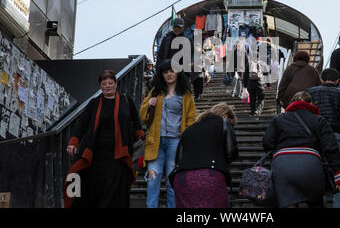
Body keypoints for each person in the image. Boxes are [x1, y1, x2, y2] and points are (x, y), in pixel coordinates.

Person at [64, 70, 144, 208]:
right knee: (92, 187)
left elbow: (137, 122)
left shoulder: (126, 100)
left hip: (118, 154)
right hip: (95, 154)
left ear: (116, 84)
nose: (108, 86)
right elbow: (82, 125)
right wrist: (73, 142)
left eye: (110, 83)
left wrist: (142, 139)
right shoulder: (94, 103)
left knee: (115, 189)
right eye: (104, 83)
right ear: (100, 86)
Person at [262, 91, 340, 208]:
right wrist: (339, 172)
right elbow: (330, 147)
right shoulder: (319, 120)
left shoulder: (279, 119)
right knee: (315, 203)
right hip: (311, 164)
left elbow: (267, 143)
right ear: (311, 103)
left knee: (288, 204)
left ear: (291, 103)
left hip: (282, 165)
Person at [139, 59, 197, 208]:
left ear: (177, 73)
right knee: (152, 181)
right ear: (161, 75)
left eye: (172, 71)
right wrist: (149, 104)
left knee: (173, 182)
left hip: (175, 142)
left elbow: (191, 119)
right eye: (165, 72)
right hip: (155, 142)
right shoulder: (155, 92)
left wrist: (188, 140)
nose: (169, 74)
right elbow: (142, 116)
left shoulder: (185, 95)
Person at [169, 103, 239, 208]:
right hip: (209, 177)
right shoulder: (224, 123)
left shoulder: (189, 129)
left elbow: (178, 158)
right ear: (225, 116)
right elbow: (231, 153)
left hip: (182, 178)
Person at [306, 68, 340, 208]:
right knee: (338, 172)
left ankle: (321, 202)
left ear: (321, 79)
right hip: (338, 135)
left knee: (317, 171)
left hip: (316, 136)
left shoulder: (310, 92)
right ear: (337, 80)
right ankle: (337, 205)